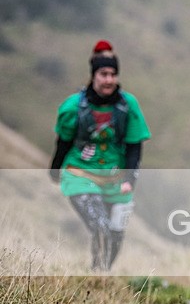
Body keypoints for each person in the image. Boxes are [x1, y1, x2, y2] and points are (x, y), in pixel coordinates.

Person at [49, 40, 151, 271]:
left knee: (116, 237)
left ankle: (99, 274)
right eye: (104, 74)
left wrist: (130, 178)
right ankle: (97, 280)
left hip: (116, 179)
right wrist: (55, 170)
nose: (109, 80)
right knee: (101, 228)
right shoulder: (73, 107)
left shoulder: (128, 105)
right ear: (93, 76)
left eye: (113, 74)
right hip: (80, 175)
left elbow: (134, 145)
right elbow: (63, 142)